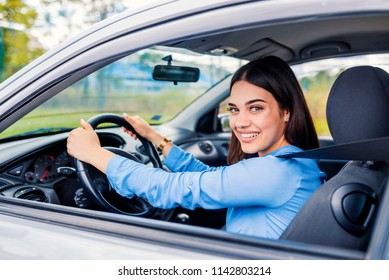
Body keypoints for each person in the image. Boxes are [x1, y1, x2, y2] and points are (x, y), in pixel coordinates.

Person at [67, 56, 326, 239]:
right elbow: (213, 178)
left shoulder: (275, 172)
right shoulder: (294, 160)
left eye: (256, 108)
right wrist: (156, 138)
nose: (241, 122)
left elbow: (170, 188)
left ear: (286, 112)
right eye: (234, 110)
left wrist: (94, 154)